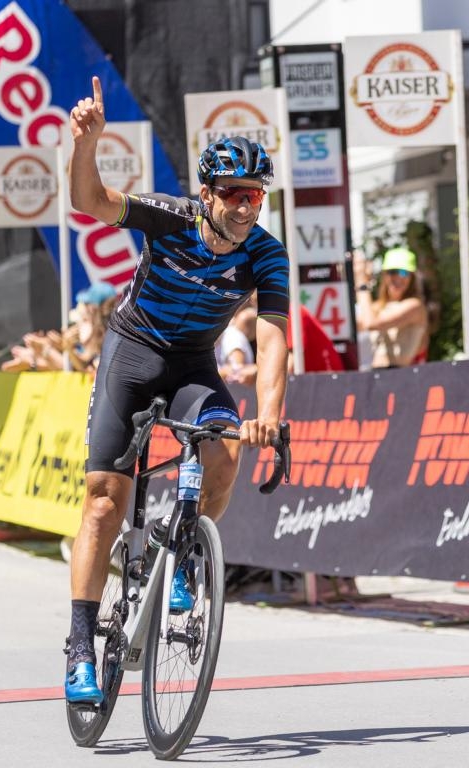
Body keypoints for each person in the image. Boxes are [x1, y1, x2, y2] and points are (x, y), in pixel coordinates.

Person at [62, 76, 290, 706]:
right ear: (207, 194)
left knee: (225, 454)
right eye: (234, 194)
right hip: (132, 356)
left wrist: (269, 414)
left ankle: (185, 551)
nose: (246, 206)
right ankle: (82, 644)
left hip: (192, 365)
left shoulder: (266, 257)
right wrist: (87, 143)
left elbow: (272, 338)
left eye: (256, 195)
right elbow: (90, 200)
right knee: (104, 502)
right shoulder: (169, 218)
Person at [355, 247, 428, 368]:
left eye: (404, 273)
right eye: (393, 272)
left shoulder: (414, 306)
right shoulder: (376, 308)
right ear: (384, 275)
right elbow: (353, 327)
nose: (398, 278)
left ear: (412, 278)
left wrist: (361, 283)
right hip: (375, 376)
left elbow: (371, 324)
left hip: (400, 377)